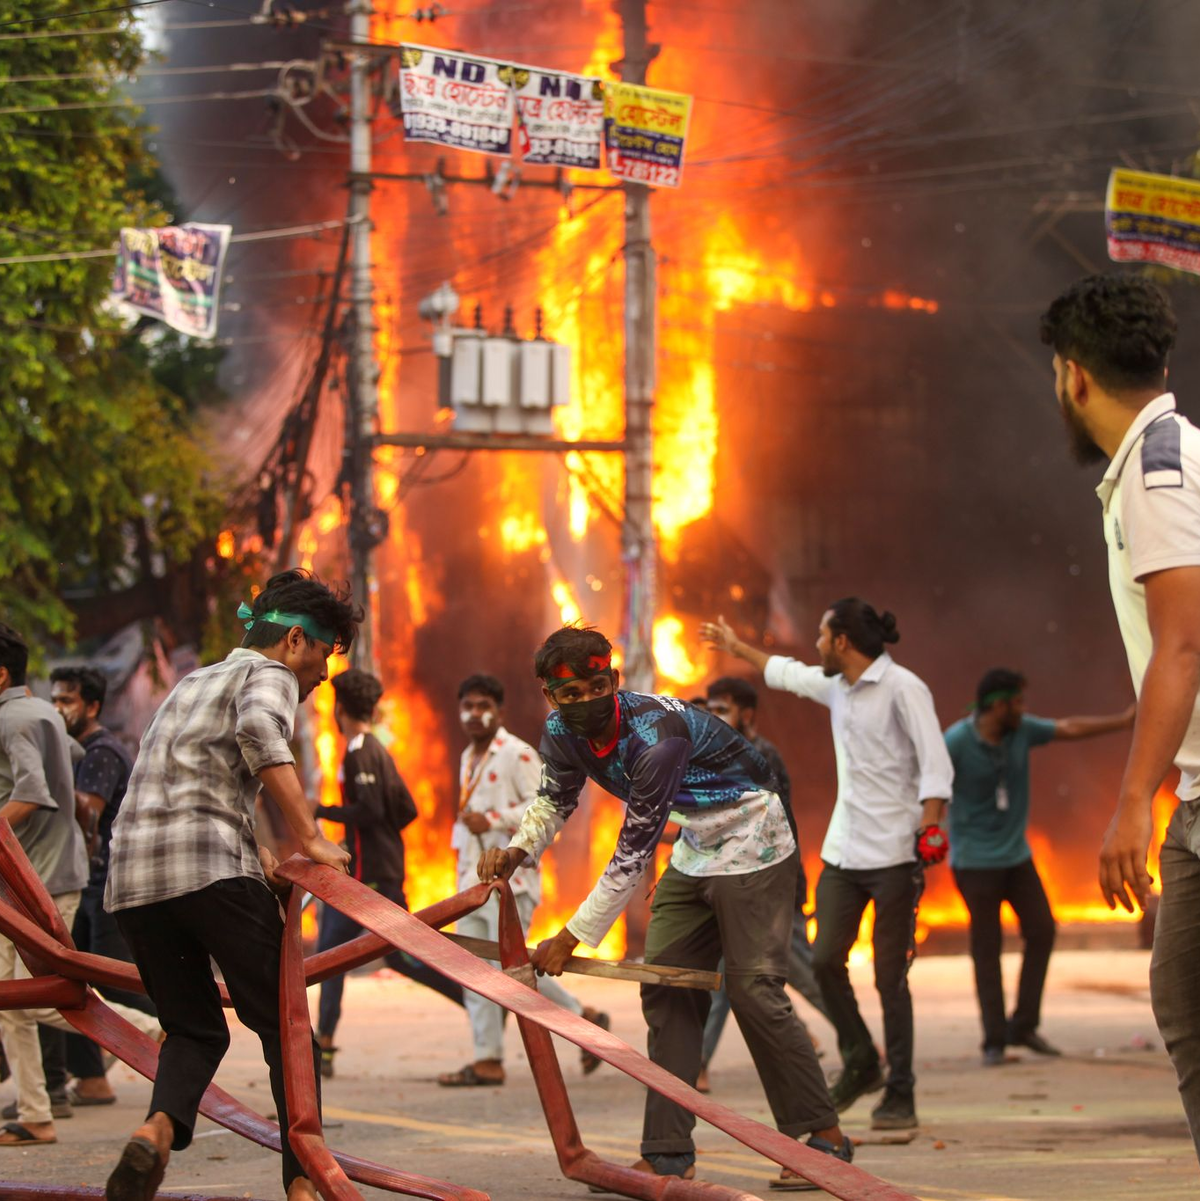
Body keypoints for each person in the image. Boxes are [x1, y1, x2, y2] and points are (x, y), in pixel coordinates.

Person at [479, 626, 850, 1190]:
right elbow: (555, 799)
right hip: (697, 844)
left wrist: (570, 937)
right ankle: (669, 1154)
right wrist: (518, 851)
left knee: (753, 991)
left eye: (594, 687)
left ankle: (821, 1139)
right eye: (569, 694)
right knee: (667, 986)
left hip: (754, 834)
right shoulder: (560, 731)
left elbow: (632, 854)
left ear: (614, 681)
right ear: (552, 698)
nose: (583, 702)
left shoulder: (657, 735)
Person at [102, 570, 358, 1201]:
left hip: (134, 883)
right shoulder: (268, 675)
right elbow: (259, 734)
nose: (318, 681)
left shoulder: (192, 681)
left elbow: (198, 782)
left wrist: (260, 851)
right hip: (208, 873)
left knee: (194, 1029)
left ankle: (156, 1132)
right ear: (295, 641)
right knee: (288, 1026)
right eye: (320, 662)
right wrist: (310, 839)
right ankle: (303, 1184)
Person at [1039, 273, 1200, 1161]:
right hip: (1198, 794)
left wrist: (1135, 798)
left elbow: (1182, 646)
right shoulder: (1161, 457)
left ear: (1073, 377)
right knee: (1182, 1001)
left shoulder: (1159, 472)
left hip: (1198, 795)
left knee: (1187, 1006)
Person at [701, 601, 953, 1131]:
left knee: (890, 977)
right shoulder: (837, 688)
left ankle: (900, 1094)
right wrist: (736, 647)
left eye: (820, 635)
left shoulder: (905, 688)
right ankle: (861, 1057)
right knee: (821, 964)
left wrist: (932, 825)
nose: (814, 644)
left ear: (842, 642)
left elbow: (935, 764)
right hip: (844, 852)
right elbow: (786, 674)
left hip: (895, 855)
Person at [945, 668, 1134, 1067]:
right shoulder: (957, 742)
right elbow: (928, 785)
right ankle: (993, 1040)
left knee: (1043, 929)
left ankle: (1024, 1025)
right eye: (1017, 703)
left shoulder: (1022, 731)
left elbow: (1068, 728)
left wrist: (1123, 720)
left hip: (1016, 857)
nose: (1023, 709)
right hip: (975, 863)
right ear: (997, 705)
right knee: (987, 948)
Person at [438, 673, 606, 1088]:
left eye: (483, 706)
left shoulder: (517, 753)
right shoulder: (467, 757)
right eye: (468, 706)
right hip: (471, 881)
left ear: (499, 710)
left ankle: (581, 1022)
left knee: (511, 969)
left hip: (511, 883)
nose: (474, 714)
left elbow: (545, 807)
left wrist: (491, 820)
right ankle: (487, 1059)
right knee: (473, 970)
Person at [315, 667, 463, 1078]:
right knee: (378, 954)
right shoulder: (379, 750)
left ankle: (322, 1045)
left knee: (331, 954)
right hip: (376, 867)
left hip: (370, 874)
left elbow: (374, 811)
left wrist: (322, 811)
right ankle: (323, 1044)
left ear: (339, 709)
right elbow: (406, 809)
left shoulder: (360, 751)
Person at [698, 676, 830, 1094]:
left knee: (805, 975)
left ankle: (859, 1038)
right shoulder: (715, 753)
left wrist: (792, 886)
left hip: (774, 885)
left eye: (722, 709)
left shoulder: (760, 754)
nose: (714, 717)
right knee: (724, 981)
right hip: (734, 884)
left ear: (747, 714)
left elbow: (777, 824)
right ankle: (698, 1063)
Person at [48, 665, 155, 1106]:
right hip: (87, 880)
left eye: (66, 701)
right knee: (72, 980)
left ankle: (176, 1028)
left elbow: (87, 812)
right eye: (54, 700)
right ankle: (91, 1079)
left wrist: (44, 777)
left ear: (91, 706)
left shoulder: (99, 752)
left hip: (107, 883)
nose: (58, 709)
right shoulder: (77, 749)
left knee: (111, 979)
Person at [0, 623, 88, 1148]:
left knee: (28, 1000)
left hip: (38, 881)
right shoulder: (44, 713)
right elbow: (70, 763)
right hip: (42, 876)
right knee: (13, 1000)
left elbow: (32, 792)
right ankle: (35, 1113)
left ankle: (158, 1030)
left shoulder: (9, 720)